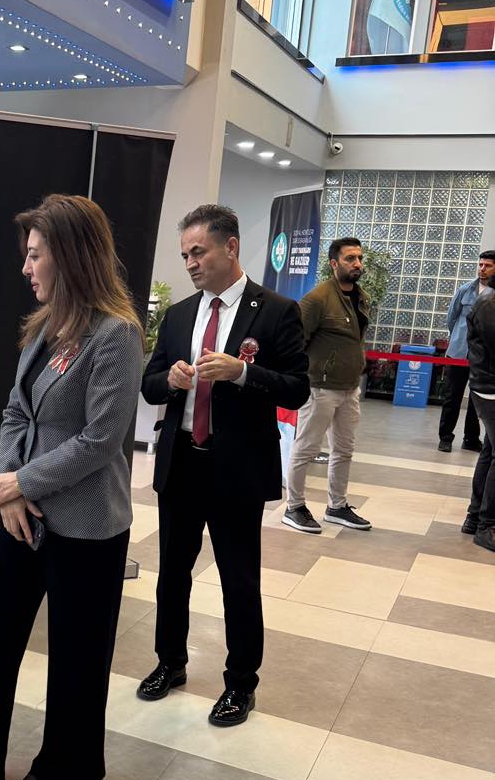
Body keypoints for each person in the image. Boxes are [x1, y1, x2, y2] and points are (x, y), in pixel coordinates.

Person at [0, 194, 143, 780]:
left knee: (78, 654)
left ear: (70, 257)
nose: (26, 267)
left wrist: (24, 481)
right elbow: (16, 411)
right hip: (24, 516)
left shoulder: (116, 335)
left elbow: (101, 438)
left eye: (36, 254)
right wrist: (10, 489)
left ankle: (72, 769)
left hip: (88, 524)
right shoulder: (45, 327)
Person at [139, 203, 309, 727]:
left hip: (236, 468)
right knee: (173, 574)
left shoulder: (276, 311)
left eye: (199, 252)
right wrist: (170, 380)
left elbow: (297, 390)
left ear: (230, 247)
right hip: (182, 462)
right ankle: (170, 662)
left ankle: (240, 684)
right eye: (185, 255)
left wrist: (242, 373)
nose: (190, 263)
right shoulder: (179, 315)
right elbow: (149, 385)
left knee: (239, 580)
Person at [283, 237, 371, 532]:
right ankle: (294, 507)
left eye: (359, 258)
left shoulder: (361, 297)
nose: (357, 263)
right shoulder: (317, 299)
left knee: (344, 450)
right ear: (334, 263)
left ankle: (337, 506)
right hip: (319, 388)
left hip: (350, 388)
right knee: (306, 449)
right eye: (350, 258)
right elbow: (296, 343)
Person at [438, 251, 494, 452]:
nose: (482, 269)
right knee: (452, 396)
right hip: (459, 353)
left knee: (476, 398)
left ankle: (471, 439)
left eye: (488, 265)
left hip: (483, 356)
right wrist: (458, 340)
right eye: (480, 265)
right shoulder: (465, 290)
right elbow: (451, 319)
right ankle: (445, 437)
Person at [462, 285, 495, 552]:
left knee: (490, 450)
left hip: (488, 386)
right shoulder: (489, 304)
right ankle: (487, 526)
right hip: (490, 388)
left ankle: (475, 518)